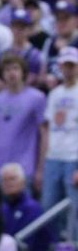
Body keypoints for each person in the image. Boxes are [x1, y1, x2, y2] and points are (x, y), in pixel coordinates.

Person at [0, 55, 47, 186]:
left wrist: (40, 169)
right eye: (7, 70)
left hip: (24, 170)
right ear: (1, 74)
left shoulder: (37, 98)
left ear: (23, 72)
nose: (12, 73)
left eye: (15, 68)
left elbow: (44, 135)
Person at [41, 46, 78, 242]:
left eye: (72, 65)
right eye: (65, 65)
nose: (68, 69)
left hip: (74, 157)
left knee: (75, 210)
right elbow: (47, 128)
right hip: (53, 155)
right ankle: (54, 245)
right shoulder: (54, 93)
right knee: (48, 207)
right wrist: (42, 161)